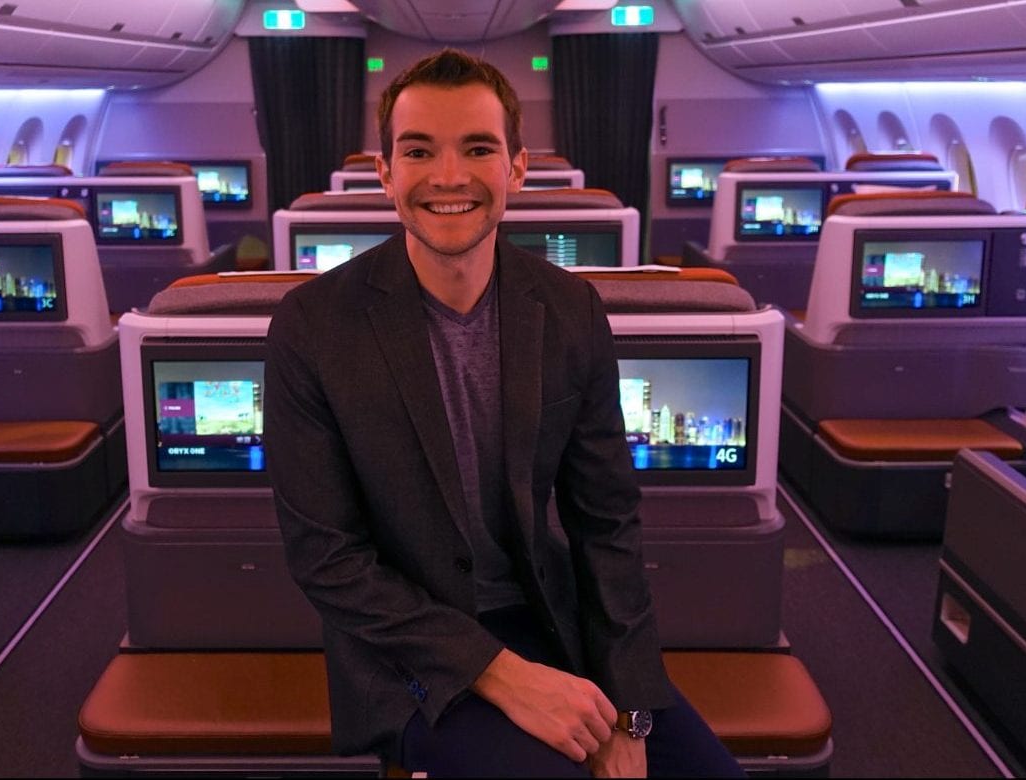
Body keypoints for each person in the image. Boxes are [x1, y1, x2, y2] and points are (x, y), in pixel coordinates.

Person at [265, 48, 743, 778]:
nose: (449, 177)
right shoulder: (314, 327)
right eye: (419, 151)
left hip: (549, 616)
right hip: (410, 650)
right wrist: (501, 674)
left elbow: (606, 523)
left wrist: (630, 712)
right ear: (386, 172)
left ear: (517, 168)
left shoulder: (568, 309)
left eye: (478, 149)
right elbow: (327, 560)